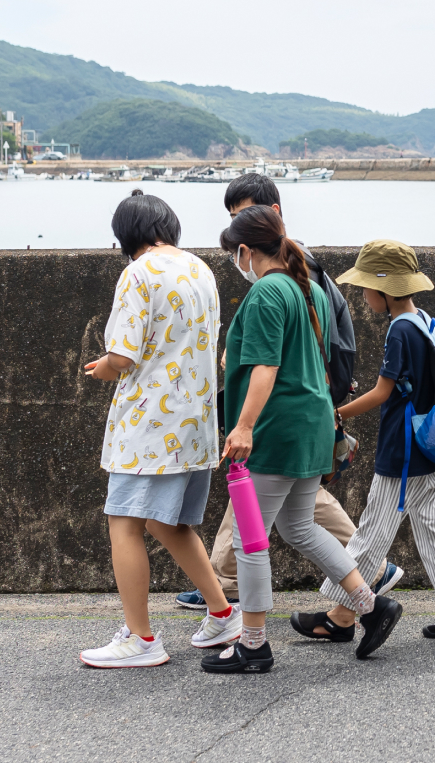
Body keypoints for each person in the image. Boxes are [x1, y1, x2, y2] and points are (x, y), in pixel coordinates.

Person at [176, 173, 401, 610]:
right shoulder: (308, 286)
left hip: (277, 426)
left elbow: (268, 365)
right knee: (299, 527)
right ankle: (370, 603)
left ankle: (253, 641)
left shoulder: (266, 293)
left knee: (250, 538)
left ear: (246, 251)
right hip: (311, 424)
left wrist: (242, 426)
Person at [77, 191, 240, 669]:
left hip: (150, 424)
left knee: (124, 523)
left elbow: (124, 356)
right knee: (169, 523)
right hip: (196, 423)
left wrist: (102, 368)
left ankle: (141, 638)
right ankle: (223, 614)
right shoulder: (200, 269)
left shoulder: (138, 273)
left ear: (127, 235)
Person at [294, 239, 435, 644]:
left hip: (402, 450)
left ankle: (341, 615)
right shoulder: (424, 323)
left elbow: (382, 392)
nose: (362, 296)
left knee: (371, 533)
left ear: (384, 288)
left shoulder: (400, 330)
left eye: (365, 287)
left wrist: (336, 414)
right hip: (427, 444)